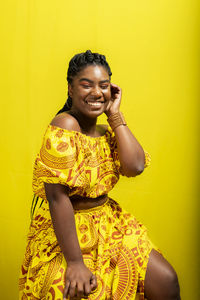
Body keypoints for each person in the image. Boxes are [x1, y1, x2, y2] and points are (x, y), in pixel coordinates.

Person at [19, 50, 181, 300]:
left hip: (109, 222)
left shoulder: (107, 132)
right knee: (76, 292)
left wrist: (115, 116)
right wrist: (74, 262)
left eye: (103, 86)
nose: (97, 92)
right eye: (87, 85)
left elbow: (135, 166)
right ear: (70, 89)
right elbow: (56, 198)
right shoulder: (65, 125)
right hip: (68, 230)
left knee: (166, 281)